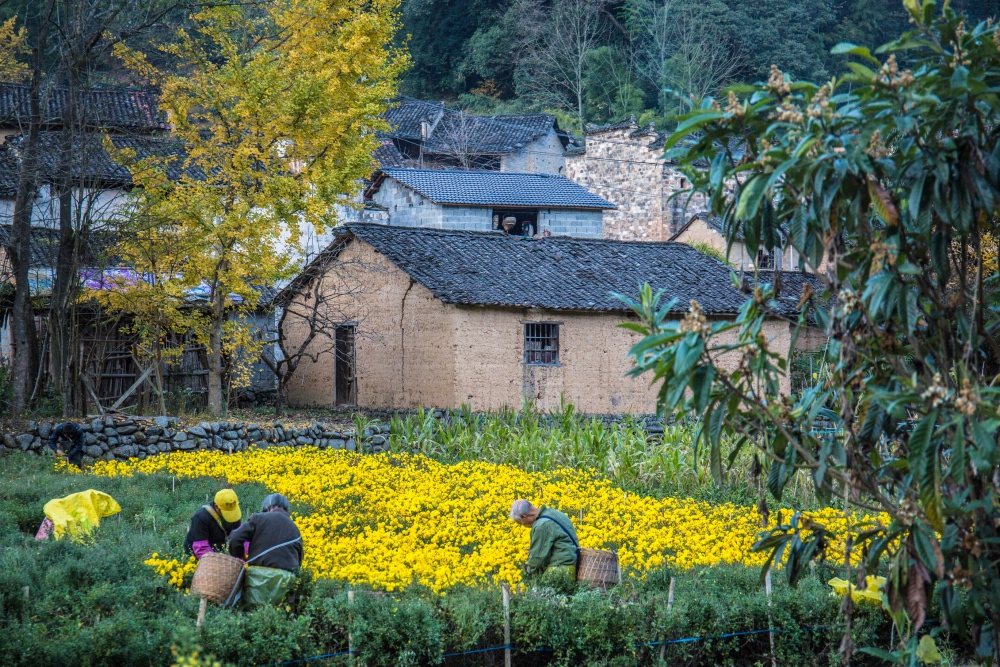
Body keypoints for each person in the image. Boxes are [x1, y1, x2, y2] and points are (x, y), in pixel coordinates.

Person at [228, 493, 303, 608]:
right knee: (280, 616)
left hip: (258, 579)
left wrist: (240, 556)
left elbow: (234, 538)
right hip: (286, 581)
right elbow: (299, 558)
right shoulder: (294, 528)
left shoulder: (259, 518)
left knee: (251, 615)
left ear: (267, 507)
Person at [509, 499, 578, 584]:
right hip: (571, 565)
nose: (524, 526)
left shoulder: (541, 525)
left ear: (524, 516)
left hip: (558, 569)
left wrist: (529, 570)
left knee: (538, 594)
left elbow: (538, 560)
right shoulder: (555, 513)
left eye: (521, 523)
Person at [183, 489, 242, 560]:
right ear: (216, 506)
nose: (231, 515)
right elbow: (201, 548)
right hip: (197, 555)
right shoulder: (201, 517)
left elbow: (240, 535)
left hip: (218, 550)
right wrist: (217, 562)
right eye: (227, 512)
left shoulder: (233, 515)